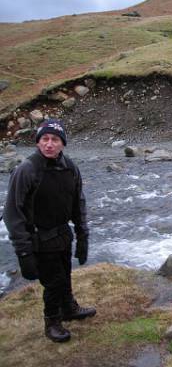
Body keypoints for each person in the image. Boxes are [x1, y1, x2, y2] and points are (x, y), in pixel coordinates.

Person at [4, 119, 96, 342]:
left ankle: (68, 308)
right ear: (37, 143)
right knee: (53, 282)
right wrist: (23, 252)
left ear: (62, 144)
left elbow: (78, 203)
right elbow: (12, 214)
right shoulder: (27, 170)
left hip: (63, 234)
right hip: (38, 237)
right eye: (44, 139)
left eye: (54, 139)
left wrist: (83, 236)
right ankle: (52, 320)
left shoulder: (70, 168)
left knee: (65, 273)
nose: (49, 144)